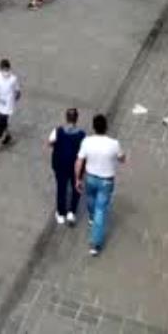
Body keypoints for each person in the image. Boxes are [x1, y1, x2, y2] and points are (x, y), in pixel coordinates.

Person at [75, 113, 125, 256]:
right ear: (106, 127)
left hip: (90, 177)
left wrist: (77, 178)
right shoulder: (114, 144)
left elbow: (79, 161)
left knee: (90, 198)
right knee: (101, 210)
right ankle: (95, 244)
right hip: (106, 180)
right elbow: (122, 158)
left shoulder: (87, 141)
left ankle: (91, 217)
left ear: (93, 127)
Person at [48, 107, 85, 226]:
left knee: (61, 188)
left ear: (66, 118)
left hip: (60, 164)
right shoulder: (82, 134)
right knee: (76, 187)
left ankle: (60, 213)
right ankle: (72, 212)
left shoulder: (57, 131)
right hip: (75, 166)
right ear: (76, 119)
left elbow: (50, 143)